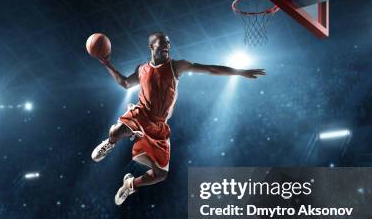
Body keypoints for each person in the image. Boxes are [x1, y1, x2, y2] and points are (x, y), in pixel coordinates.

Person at [92, 32, 265, 205]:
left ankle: (130, 185)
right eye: (162, 43)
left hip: (159, 125)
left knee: (160, 175)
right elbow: (125, 83)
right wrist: (107, 63)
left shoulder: (177, 66)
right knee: (117, 131)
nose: (167, 46)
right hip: (142, 113)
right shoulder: (142, 69)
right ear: (152, 46)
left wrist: (240, 72)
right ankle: (109, 143)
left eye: (168, 43)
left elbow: (210, 69)